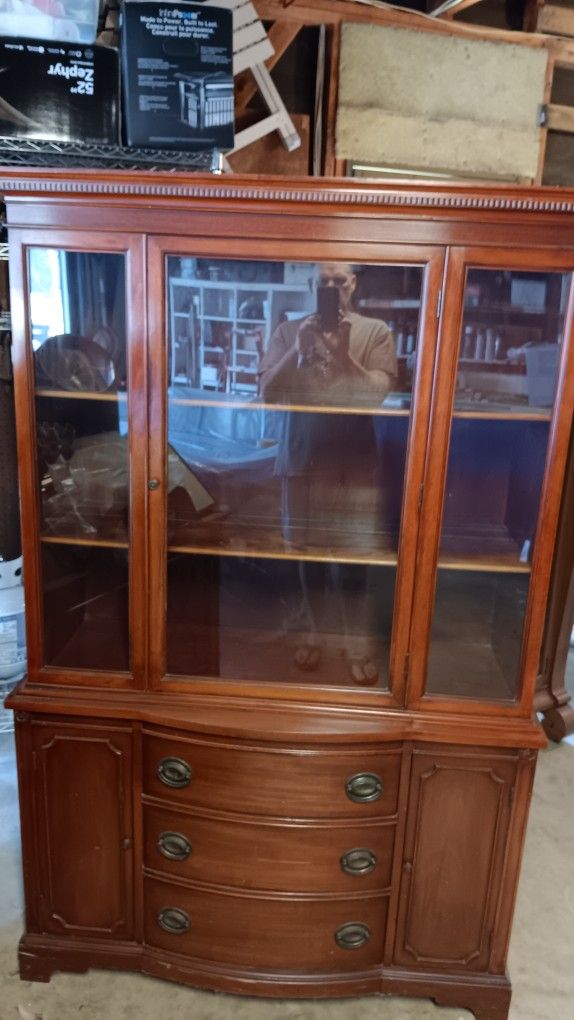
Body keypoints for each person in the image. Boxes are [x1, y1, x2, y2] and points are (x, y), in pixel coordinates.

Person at [259, 262, 397, 685]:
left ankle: (355, 644)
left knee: (353, 562)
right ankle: (315, 636)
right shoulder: (287, 331)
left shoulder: (375, 331)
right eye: (323, 283)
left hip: (354, 466)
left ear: (354, 284)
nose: (332, 289)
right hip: (301, 463)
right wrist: (298, 351)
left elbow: (375, 394)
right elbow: (268, 394)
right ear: (310, 285)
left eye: (340, 281)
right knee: (308, 558)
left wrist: (343, 357)